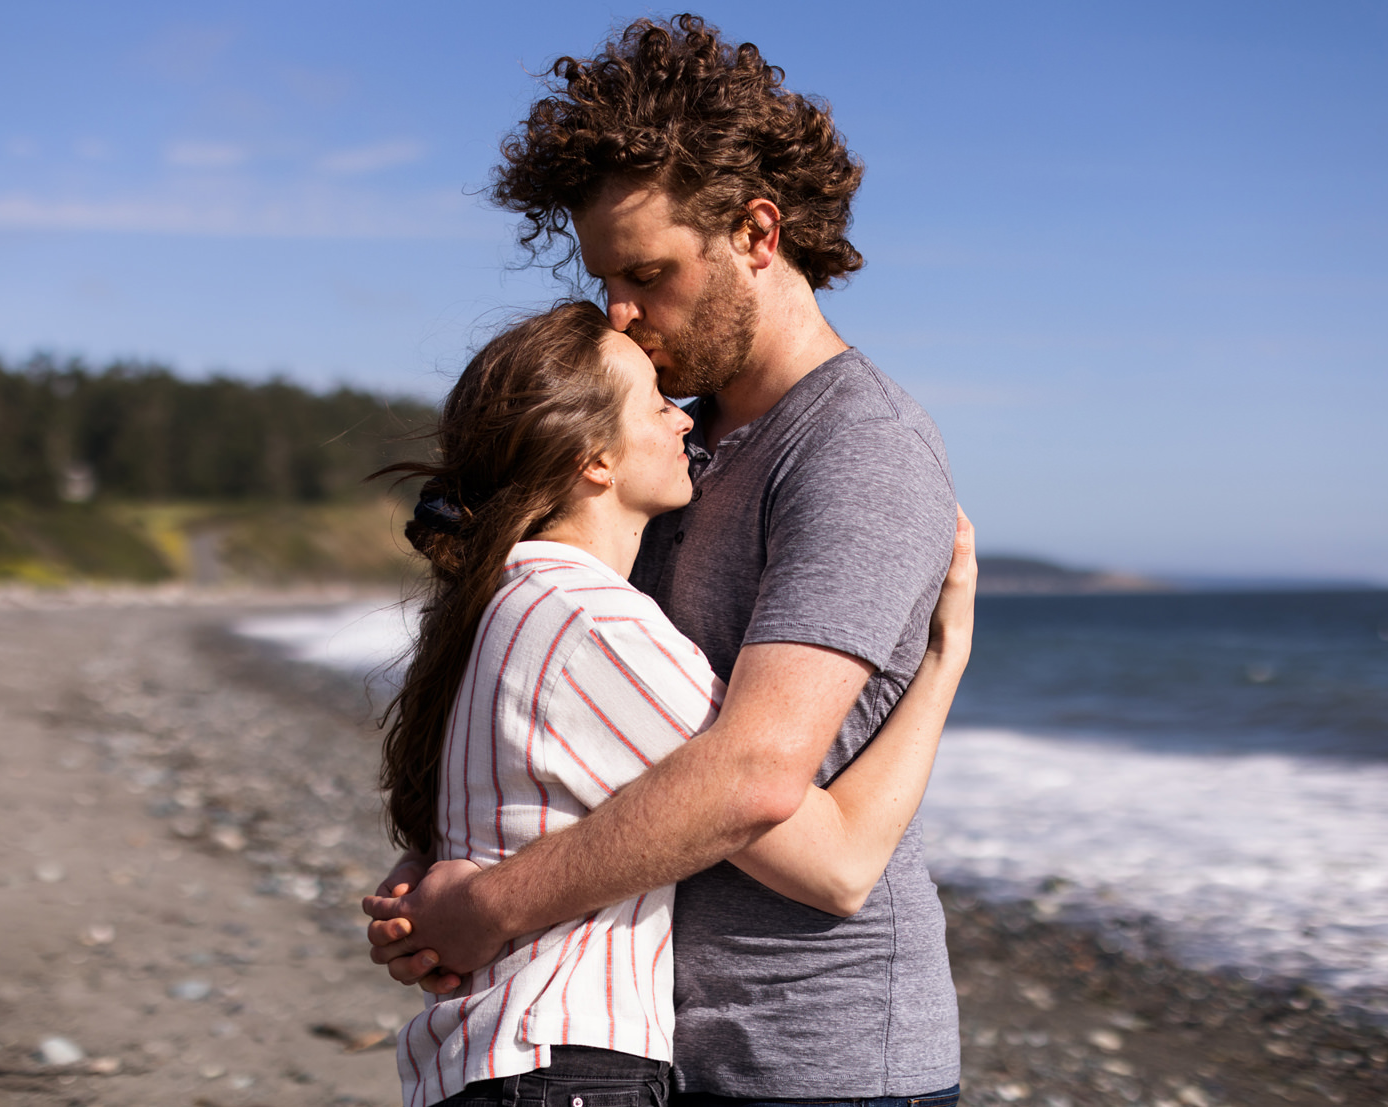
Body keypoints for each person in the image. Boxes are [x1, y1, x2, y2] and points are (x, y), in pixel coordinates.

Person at [365, 14, 963, 1105]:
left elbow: (753, 777)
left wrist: (490, 907)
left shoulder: (856, 446)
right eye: (605, 282)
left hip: (815, 1052)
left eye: (647, 274)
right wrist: (451, 873)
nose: (623, 316)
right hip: (644, 1045)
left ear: (757, 233)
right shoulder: (674, 445)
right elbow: (588, 729)